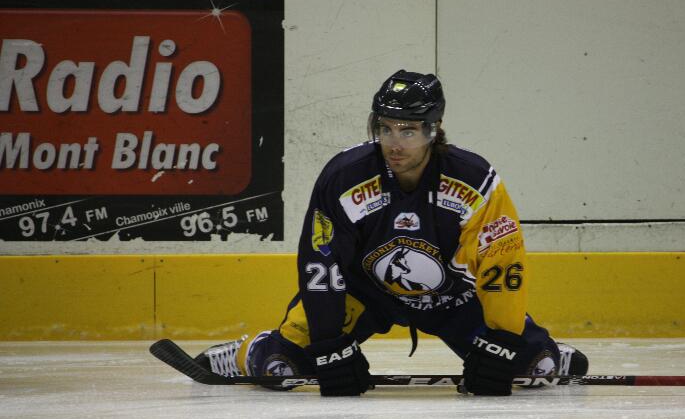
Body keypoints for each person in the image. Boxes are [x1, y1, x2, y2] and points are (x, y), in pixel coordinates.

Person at [197, 70, 588, 396]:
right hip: (365, 294)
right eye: (385, 128)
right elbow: (322, 262)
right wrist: (330, 346)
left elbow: (501, 264)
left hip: (453, 297)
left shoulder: (475, 180)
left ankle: (541, 347)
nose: (394, 144)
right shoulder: (344, 177)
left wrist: (502, 343)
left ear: (434, 130)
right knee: (279, 368)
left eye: (408, 131)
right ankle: (249, 350)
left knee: (537, 367)